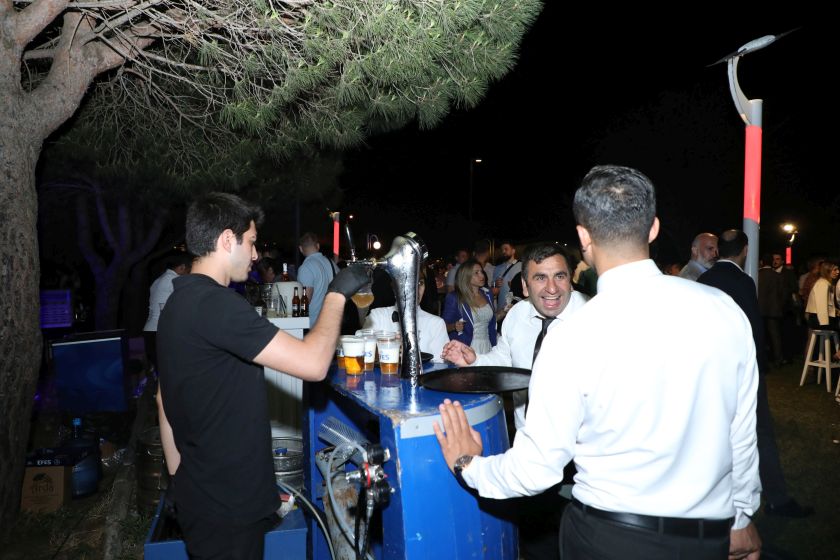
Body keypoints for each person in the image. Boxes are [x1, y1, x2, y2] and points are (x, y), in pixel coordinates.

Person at [435, 165, 761, 560]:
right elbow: (742, 430)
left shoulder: (573, 334)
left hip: (608, 538)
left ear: (584, 238)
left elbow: (535, 469)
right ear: (653, 228)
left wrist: (467, 464)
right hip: (706, 539)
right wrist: (742, 517)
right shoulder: (723, 310)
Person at [156, 193, 368, 560]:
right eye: (251, 242)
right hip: (229, 505)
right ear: (227, 240)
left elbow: (162, 397)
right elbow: (315, 364)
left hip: (199, 495)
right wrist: (336, 294)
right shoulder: (218, 305)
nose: (255, 255)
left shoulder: (178, 302)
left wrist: (180, 479)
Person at [699, 230, 814, 518]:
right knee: (760, 431)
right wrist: (760, 368)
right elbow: (752, 330)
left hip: (711, 372)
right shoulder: (743, 281)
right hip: (742, 372)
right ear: (745, 250)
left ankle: (715, 500)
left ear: (718, 250)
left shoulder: (704, 280)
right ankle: (776, 498)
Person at [441, 243, 587, 429]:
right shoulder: (517, 315)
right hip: (526, 433)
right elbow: (504, 357)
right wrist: (475, 360)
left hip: (580, 438)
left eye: (559, 276)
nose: (552, 288)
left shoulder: (594, 318)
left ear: (570, 279)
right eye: (540, 278)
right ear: (525, 286)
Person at [363, 274, 449, 360]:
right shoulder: (377, 316)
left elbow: (440, 364)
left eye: (420, 283)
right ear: (394, 288)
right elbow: (362, 352)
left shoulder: (436, 324)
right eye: (407, 281)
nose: (415, 288)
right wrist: (388, 347)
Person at [142, 250, 192, 370]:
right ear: (182, 267)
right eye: (189, 270)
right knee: (171, 370)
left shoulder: (158, 280)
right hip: (161, 331)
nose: (190, 273)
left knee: (162, 372)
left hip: (150, 330)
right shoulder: (174, 280)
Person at [441, 258, 497, 353]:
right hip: (467, 347)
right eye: (476, 273)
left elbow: (489, 319)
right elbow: (443, 326)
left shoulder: (487, 293)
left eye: (481, 271)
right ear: (466, 276)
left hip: (488, 345)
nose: (482, 275)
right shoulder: (455, 297)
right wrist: (454, 326)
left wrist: (503, 311)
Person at [297, 231, 340, 324]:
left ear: (300, 249)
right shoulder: (332, 263)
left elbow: (306, 299)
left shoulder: (306, 267)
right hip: (332, 320)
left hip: (314, 323)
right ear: (318, 246)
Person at [492, 241, 522, 310]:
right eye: (502, 250)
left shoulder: (521, 266)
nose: (503, 252)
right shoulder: (497, 268)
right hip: (501, 306)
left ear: (513, 251)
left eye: (506, 249)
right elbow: (492, 285)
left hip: (517, 306)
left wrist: (515, 286)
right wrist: (495, 283)